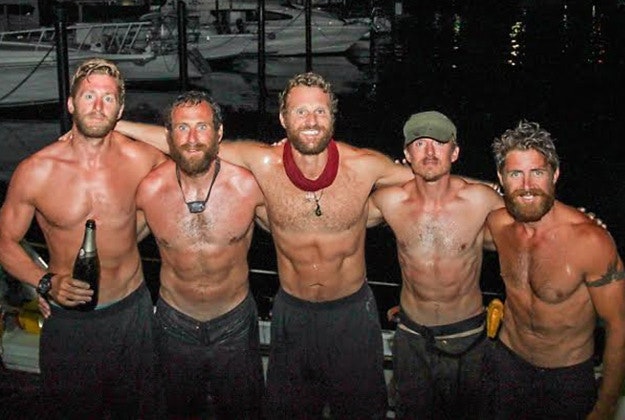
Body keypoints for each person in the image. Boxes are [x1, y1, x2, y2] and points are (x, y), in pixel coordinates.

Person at [115, 72, 416, 418]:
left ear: (333, 116)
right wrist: (117, 126)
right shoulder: (262, 162)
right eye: (300, 112)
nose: (311, 121)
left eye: (319, 111)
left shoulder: (365, 165)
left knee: (363, 411)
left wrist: (493, 192)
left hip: (352, 313)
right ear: (283, 119)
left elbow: (427, 179)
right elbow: (193, 142)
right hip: (292, 312)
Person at [0, 58, 166, 418]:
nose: (97, 106)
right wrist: (45, 283)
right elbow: (5, 242)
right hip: (70, 323)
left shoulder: (141, 158)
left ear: (119, 109)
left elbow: (187, 147)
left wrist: (133, 232)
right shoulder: (36, 171)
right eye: (88, 96)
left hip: (132, 314)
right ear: (71, 104)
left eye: (108, 99)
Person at [135, 91, 266, 418]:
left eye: (202, 127)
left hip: (234, 322)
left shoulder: (249, 187)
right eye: (181, 129)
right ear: (168, 136)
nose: (192, 138)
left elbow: (297, 231)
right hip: (173, 323)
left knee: (243, 411)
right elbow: (113, 247)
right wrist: (53, 282)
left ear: (219, 133)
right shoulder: (150, 191)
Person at [482, 121, 625, 419]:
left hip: (566, 380)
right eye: (515, 174)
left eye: (538, 172)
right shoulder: (497, 225)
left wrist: (607, 404)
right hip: (506, 365)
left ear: (555, 175)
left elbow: (618, 326)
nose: (527, 186)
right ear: (501, 179)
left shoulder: (591, 241)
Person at [368, 111, 504, 419]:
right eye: (420, 144)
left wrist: (581, 219)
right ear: (406, 154)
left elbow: (532, 228)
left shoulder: (481, 199)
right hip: (412, 340)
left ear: (454, 152)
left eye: (439, 143)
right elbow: (333, 217)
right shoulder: (388, 200)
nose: (429, 152)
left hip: (468, 339)